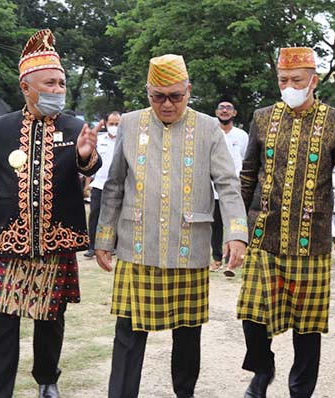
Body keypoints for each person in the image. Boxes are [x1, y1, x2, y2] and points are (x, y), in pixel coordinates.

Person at [0, 29, 102, 398]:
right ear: (27, 87)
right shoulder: (0, 129)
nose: (58, 89)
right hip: (9, 240)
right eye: (50, 82)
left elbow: (87, 170)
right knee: (1, 323)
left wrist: (84, 157)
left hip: (56, 241)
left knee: (50, 319)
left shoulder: (73, 127)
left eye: (61, 82)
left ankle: (47, 379)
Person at [94, 54, 248, 398]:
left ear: (188, 91)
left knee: (188, 333)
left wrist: (237, 233)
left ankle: (185, 393)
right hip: (137, 244)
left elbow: (227, 184)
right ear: (147, 93)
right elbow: (115, 184)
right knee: (129, 332)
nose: (166, 104)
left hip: (188, 245)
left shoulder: (208, 127)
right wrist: (104, 237)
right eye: (158, 96)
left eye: (175, 96)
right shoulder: (131, 124)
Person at [237, 47, 335, 398]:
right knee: (252, 315)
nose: (289, 86)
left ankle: (300, 391)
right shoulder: (262, 118)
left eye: (296, 80)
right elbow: (248, 173)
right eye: (283, 80)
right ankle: (262, 370)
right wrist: (235, 228)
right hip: (263, 233)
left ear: (314, 81)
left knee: (307, 328)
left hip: (312, 239)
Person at [209, 97, 248, 275]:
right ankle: (217, 259)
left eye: (228, 108)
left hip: (235, 189)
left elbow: (246, 161)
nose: (224, 111)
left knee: (234, 224)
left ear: (234, 113)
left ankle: (230, 261)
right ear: (217, 113)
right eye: (221, 108)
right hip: (212, 188)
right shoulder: (210, 132)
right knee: (215, 226)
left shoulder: (242, 136)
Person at [84, 111, 122, 258]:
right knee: (95, 215)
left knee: (117, 216)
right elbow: (91, 165)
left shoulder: (126, 140)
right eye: (111, 124)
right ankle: (92, 247)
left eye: (117, 124)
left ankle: (114, 246)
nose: (114, 127)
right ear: (105, 124)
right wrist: (87, 184)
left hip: (119, 185)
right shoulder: (99, 140)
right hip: (99, 184)